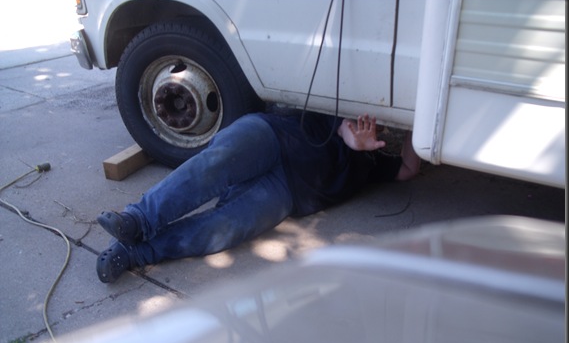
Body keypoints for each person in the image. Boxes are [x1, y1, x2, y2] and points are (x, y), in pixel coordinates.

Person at [96, 108, 421, 283]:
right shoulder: (340, 107)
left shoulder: (375, 161)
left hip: (288, 191)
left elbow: (408, 169)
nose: (372, 125)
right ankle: (137, 220)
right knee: (213, 166)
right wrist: (350, 136)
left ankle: (136, 252)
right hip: (272, 137)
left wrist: (418, 120)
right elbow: (341, 122)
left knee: (224, 228)